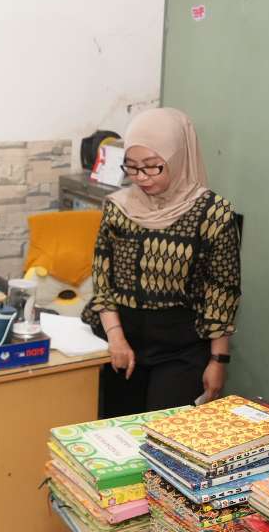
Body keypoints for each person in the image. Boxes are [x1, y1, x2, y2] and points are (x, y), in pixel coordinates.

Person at [82, 107, 242, 417]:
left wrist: (218, 361)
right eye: (132, 167)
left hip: (181, 349)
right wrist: (115, 338)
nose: (141, 178)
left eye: (153, 167)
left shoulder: (212, 214)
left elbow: (221, 292)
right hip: (121, 340)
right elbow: (103, 277)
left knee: (163, 436)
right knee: (116, 434)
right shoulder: (119, 208)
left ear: (179, 157)